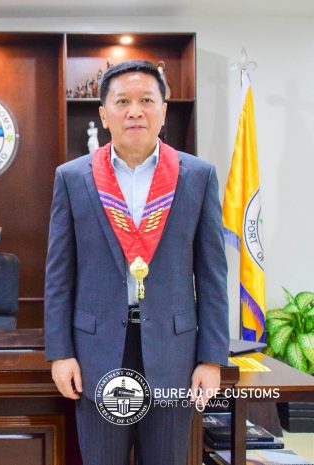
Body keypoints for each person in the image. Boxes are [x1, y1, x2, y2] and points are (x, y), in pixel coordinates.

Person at [44, 60, 228, 465]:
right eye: (122, 101)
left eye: (147, 100)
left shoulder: (196, 176)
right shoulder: (73, 178)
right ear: (103, 114)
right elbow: (59, 276)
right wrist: (60, 353)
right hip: (96, 352)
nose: (135, 111)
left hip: (173, 352)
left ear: (164, 108)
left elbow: (213, 274)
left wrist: (211, 359)